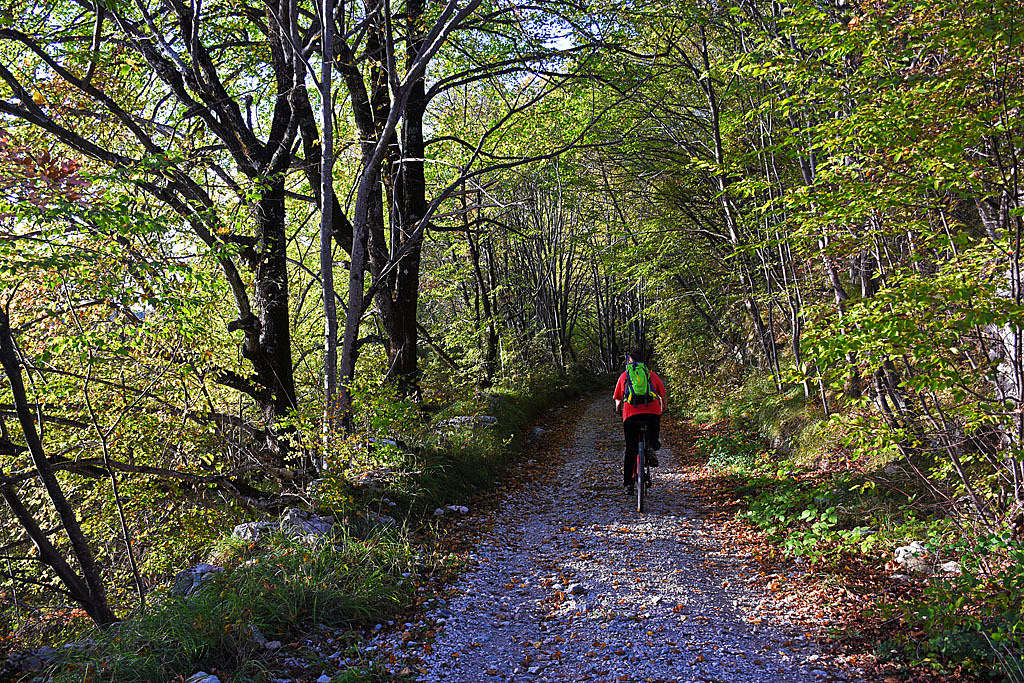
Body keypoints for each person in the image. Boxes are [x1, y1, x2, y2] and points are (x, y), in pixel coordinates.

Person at [613, 350, 666, 495]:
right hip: (652, 413)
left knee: (630, 449)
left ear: (629, 362)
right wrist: (662, 409)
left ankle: (628, 485)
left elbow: (617, 398)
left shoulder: (624, 376)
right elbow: (662, 395)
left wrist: (618, 408)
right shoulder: (651, 375)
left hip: (631, 414)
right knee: (653, 438)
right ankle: (651, 446)